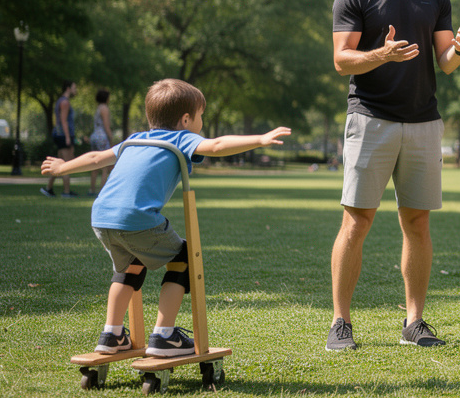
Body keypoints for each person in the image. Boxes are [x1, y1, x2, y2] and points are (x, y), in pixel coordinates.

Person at [40, 78, 291, 358]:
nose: (202, 124)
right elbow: (218, 145)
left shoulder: (134, 139)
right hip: (136, 218)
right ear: (185, 119)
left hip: (102, 216)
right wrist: (260, 139)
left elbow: (98, 158)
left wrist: (62, 168)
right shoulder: (181, 138)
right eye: (201, 117)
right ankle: (164, 336)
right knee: (184, 257)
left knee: (129, 267)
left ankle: (111, 334)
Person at [328, 0, 460, 352]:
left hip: (423, 122)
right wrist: (381, 55)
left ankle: (414, 322)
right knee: (358, 220)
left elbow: (445, 63)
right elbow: (341, 59)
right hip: (370, 118)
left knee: (417, 222)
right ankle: (340, 324)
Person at [41, 80, 78, 197]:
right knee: (67, 164)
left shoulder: (60, 101)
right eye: (74, 87)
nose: (75, 90)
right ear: (68, 88)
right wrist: (67, 137)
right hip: (63, 135)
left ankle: (48, 189)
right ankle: (66, 192)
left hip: (60, 135)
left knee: (59, 162)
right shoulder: (65, 102)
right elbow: (63, 121)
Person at [89, 89, 114, 196]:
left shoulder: (98, 108)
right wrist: (111, 137)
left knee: (95, 165)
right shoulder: (105, 108)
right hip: (102, 137)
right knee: (105, 166)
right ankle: (102, 192)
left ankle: (91, 190)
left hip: (94, 136)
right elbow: (106, 126)